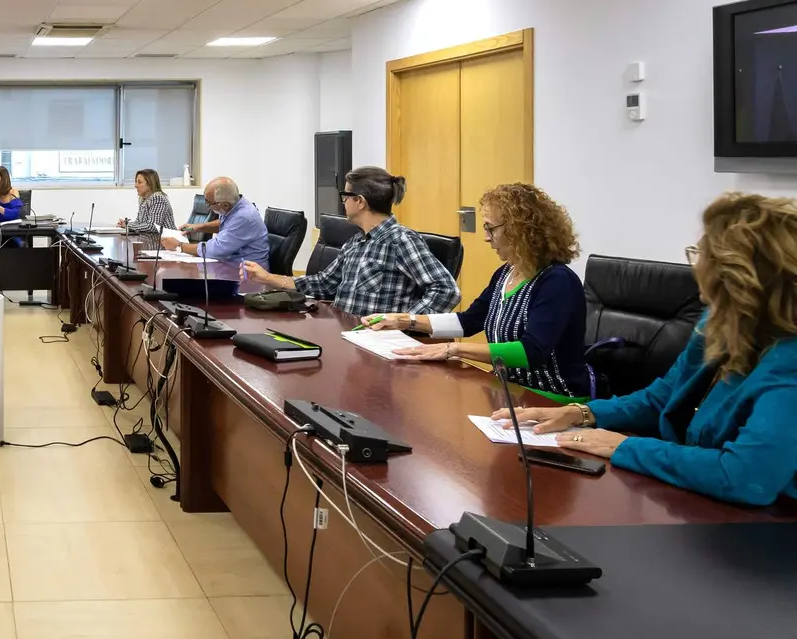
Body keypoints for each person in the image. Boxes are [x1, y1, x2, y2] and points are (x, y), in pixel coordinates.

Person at [495, 192, 797, 507]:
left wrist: (624, 447)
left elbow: (744, 477)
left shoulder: (790, 361)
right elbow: (660, 399)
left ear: (737, 276)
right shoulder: (716, 325)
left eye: (701, 252)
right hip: (695, 502)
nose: (696, 264)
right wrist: (580, 413)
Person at [369, 183, 592, 402]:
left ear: (520, 230)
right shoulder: (506, 273)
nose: (486, 237)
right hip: (509, 392)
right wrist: (405, 320)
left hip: (553, 399)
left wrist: (453, 349)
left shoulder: (557, 282)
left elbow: (530, 352)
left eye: (490, 228)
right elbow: (469, 321)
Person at [241, 166, 459, 315]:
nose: (343, 202)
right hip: (345, 336)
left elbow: (446, 290)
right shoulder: (355, 242)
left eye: (345, 197)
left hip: (377, 349)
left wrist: (406, 324)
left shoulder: (401, 241)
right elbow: (323, 284)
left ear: (360, 202)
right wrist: (267, 278)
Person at [161, 177, 270, 268]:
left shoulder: (244, 216)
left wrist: (179, 246)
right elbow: (225, 223)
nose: (208, 207)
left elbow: (216, 250)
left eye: (209, 203)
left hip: (246, 272)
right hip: (231, 264)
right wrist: (198, 227)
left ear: (225, 205)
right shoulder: (236, 205)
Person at [117, 169, 176, 250]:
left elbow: (153, 226)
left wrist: (128, 225)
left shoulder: (158, 198)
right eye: (136, 182)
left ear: (150, 185)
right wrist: (126, 223)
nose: (135, 185)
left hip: (166, 245)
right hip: (153, 243)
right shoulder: (144, 199)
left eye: (139, 182)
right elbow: (139, 223)